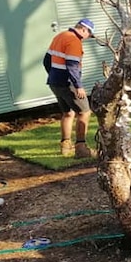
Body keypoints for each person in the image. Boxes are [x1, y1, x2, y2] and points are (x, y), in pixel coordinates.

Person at [43, 18, 96, 158]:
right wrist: (78, 86)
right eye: (89, 34)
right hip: (68, 84)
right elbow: (72, 66)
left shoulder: (60, 36)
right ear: (84, 29)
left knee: (68, 113)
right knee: (84, 112)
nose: (87, 37)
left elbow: (46, 61)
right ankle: (81, 148)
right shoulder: (74, 41)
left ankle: (65, 146)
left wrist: (54, 75)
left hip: (54, 82)